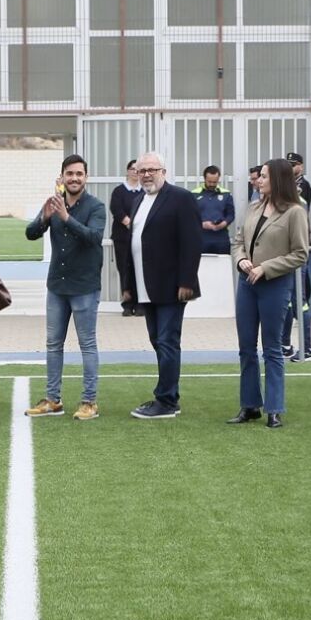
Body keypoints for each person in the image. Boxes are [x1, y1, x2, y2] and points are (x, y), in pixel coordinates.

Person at [113, 151, 201, 419]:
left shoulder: (181, 198)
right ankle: (169, 395)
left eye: (152, 169)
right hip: (145, 286)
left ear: (164, 171)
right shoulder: (138, 200)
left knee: (167, 341)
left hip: (172, 286)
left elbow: (192, 242)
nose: (147, 174)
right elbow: (132, 245)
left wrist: (187, 280)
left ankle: (166, 401)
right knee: (158, 340)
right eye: (142, 170)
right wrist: (128, 286)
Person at [25, 155, 107, 420]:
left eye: (79, 174)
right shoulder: (53, 203)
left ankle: (89, 402)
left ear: (86, 177)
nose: (74, 178)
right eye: (69, 173)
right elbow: (30, 233)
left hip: (84, 287)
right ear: (61, 177)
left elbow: (94, 237)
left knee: (87, 344)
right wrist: (45, 217)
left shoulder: (96, 206)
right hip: (57, 286)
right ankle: (53, 400)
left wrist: (65, 217)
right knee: (53, 344)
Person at [229, 158, 309, 428]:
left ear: (277, 179)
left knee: (272, 348)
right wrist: (242, 260)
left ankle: (274, 409)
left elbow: (300, 254)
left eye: (263, 176)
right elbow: (238, 241)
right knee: (246, 347)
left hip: (274, 285)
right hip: (247, 284)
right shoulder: (254, 207)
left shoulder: (295, 212)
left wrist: (266, 267)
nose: (258, 180)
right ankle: (250, 405)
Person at [284, 151, 311, 360]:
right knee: (287, 301)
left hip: (296, 254)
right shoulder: (285, 195)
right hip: (285, 255)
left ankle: (307, 347)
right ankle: (284, 344)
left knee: (300, 301)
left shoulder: (300, 193)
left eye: (293, 165)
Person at [111, 159, 145, 316]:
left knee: (139, 269)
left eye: (138, 170)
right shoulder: (119, 191)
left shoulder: (144, 192)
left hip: (140, 238)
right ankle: (127, 304)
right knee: (124, 269)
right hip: (122, 237)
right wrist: (129, 223)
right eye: (132, 169)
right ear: (127, 171)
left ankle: (140, 303)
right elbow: (116, 210)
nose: (135, 172)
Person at [196, 165, 235, 255]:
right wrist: (201, 224)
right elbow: (189, 217)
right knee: (201, 263)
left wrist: (223, 223)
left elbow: (231, 214)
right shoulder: (194, 194)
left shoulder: (226, 194)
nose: (212, 184)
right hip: (201, 238)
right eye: (209, 182)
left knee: (223, 263)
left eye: (215, 182)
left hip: (221, 239)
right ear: (204, 178)